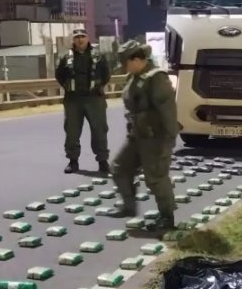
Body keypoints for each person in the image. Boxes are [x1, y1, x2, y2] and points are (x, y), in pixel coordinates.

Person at [109, 40, 178, 231]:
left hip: (155, 137)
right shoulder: (135, 76)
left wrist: (169, 139)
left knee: (156, 177)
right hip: (136, 135)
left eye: (126, 62)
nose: (124, 67)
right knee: (119, 167)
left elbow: (168, 111)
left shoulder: (156, 78)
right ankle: (129, 205)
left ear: (137, 59)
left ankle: (167, 217)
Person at [55, 28, 111, 174]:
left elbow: (106, 74)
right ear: (73, 40)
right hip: (73, 100)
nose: (80, 39)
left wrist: (98, 86)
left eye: (83, 36)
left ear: (88, 38)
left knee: (99, 130)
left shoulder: (98, 56)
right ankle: (73, 161)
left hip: (94, 99)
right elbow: (59, 75)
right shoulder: (66, 57)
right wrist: (68, 87)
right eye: (77, 37)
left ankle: (103, 161)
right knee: (72, 131)